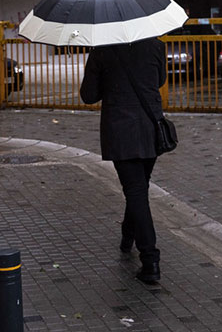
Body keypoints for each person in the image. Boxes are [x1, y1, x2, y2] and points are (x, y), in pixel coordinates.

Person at [79, 37, 166, 284]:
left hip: (121, 133)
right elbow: (159, 80)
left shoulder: (102, 50)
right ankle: (127, 237)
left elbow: (88, 95)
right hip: (151, 130)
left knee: (136, 192)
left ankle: (150, 261)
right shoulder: (156, 45)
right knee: (138, 188)